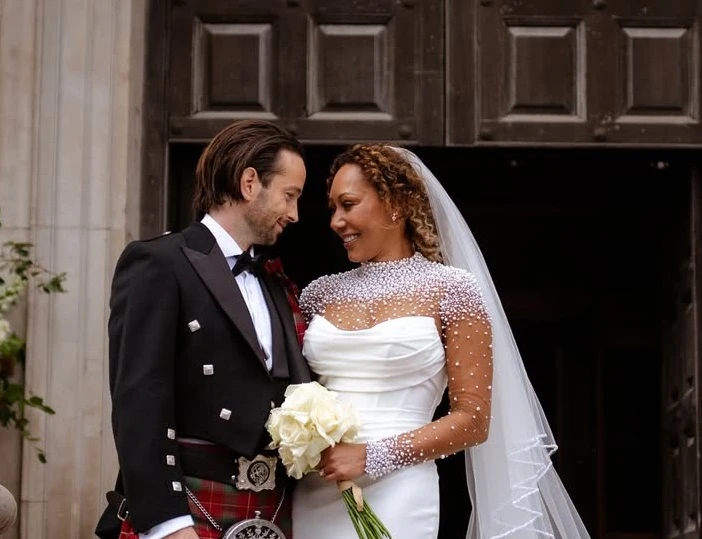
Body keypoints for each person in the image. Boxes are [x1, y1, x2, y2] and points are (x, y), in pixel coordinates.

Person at [292, 144, 591, 539]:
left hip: (399, 486)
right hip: (319, 484)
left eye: (348, 204)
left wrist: (372, 456)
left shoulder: (452, 290)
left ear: (395, 203)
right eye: (332, 209)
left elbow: (473, 420)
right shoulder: (318, 295)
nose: (336, 221)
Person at [95, 120, 311, 539]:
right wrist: (168, 524)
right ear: (250, 183)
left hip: (269, 508)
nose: (294, 214)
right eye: (289, 195)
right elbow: (140, 400)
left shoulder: (273, 280)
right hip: (190, 507)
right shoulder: (160, 263)